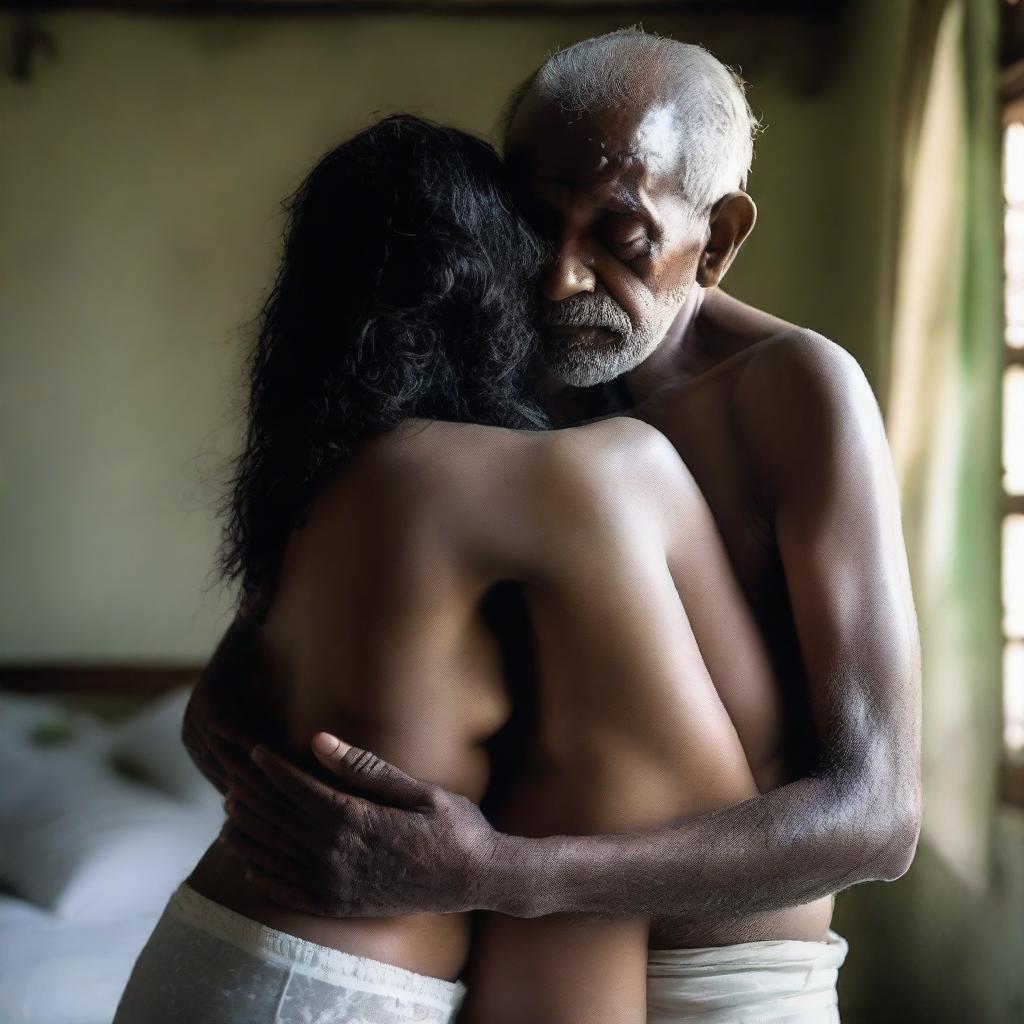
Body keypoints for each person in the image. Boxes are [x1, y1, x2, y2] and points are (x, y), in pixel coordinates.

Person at [189, 27, 921, 1016]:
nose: (558, 280)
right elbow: (233, 687)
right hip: (517, 966)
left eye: (618, 241)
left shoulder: (795, 392)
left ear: (718, 238)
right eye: (535, 231)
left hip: (726, 980)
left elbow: (875, 819)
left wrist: (501, 872)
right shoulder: (497, 384)